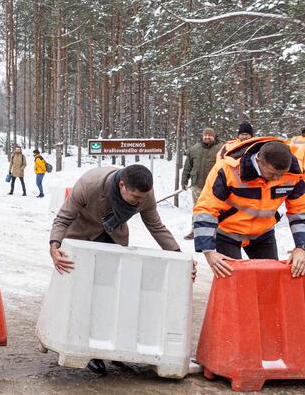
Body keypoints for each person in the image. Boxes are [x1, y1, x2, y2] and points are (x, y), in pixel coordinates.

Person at [48, 164, 192, 375]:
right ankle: (84, 347)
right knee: (83, 294)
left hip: (114, 236)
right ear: (122, 185)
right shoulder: (90, 184)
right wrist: (54, 245)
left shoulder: (145, 194)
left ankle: (108, 348)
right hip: (81, 234)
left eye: (142, 198)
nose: (139, 202)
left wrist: (181, 258)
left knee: (110, 295)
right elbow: (63, 217)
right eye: (135, 198)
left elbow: (156, 226)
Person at [193, 137, 305, 279]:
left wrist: (301, 247)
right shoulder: (227, 169)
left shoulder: (295, 173)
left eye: (281, 174)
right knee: (233, 281)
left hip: (263, 234)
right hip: (228, 233)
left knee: (270, 279)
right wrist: (208, 251)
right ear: (259, 161)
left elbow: (300, 211)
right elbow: (205, 209)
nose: (277, 179)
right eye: (272, 173)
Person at [181, 128, 223, 239]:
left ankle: (217, 232)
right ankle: (195, 231)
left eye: (210, 135)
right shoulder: (194, 149)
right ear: (202, 136)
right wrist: (184, 180)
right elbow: (187, 167)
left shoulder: (221, 149)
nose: (207, 137)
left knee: (215, 210)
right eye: (205, 135)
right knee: (198, 209)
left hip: (215, 186)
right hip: (197, 185)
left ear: (214, 136)